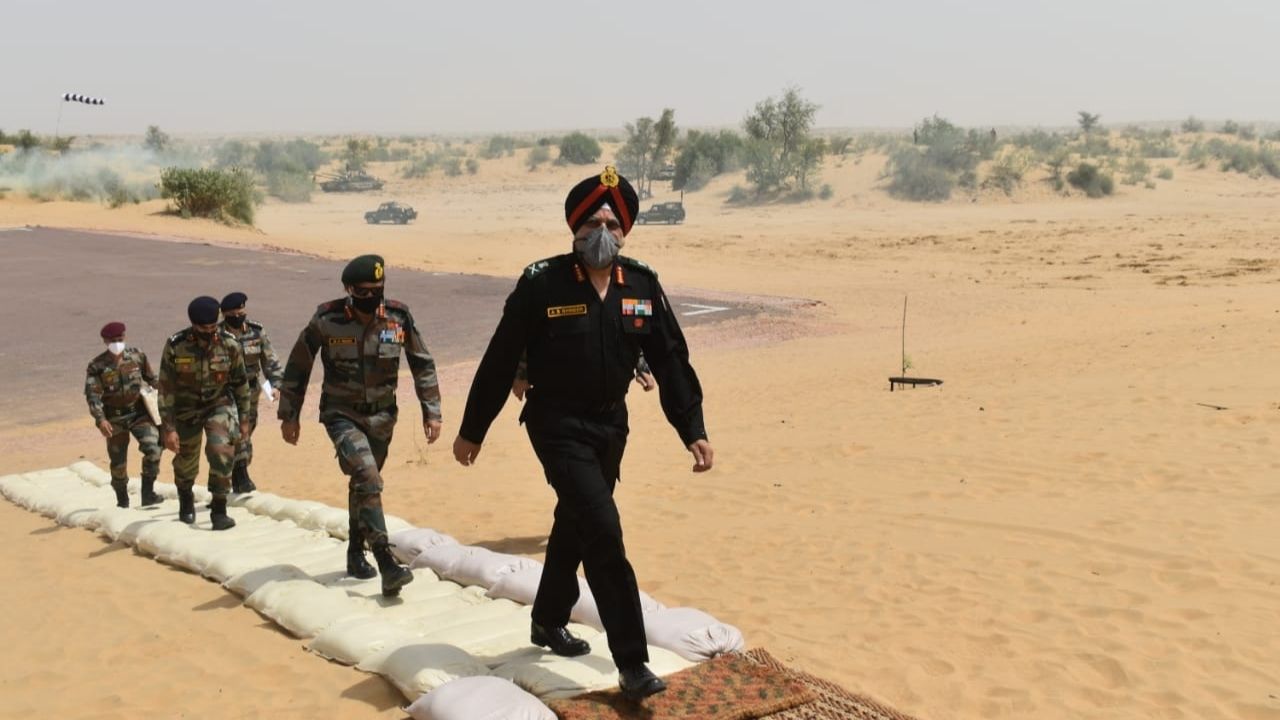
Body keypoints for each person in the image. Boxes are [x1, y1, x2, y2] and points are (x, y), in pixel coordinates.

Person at [453, 166, 714, 701]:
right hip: (556, 423)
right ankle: (632, 663)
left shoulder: (641, 283)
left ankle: (547, 619)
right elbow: (501, 360)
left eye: (612, 224)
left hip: (610, 424)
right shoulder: (541, 283)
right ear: (574, 228)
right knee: (603, 528)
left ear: (625, 232)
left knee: (576, 521)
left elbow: (671, 360)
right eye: (593, 221)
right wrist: (473, 429)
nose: (603, 232)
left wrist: (692, 427)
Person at [277, 254, 443, 598]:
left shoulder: (398, 316)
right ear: (349, 290)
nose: (372, 296)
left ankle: (355, 551)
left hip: (383, 417)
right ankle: (385, 561)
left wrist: (432, 410)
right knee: (368, 476)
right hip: (341, 414)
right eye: (364, 290)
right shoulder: (327, 319)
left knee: (363, 485)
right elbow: (298, 366)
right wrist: (289, 414)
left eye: (377, 289)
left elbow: (421, 363)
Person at [159, 297, 251, 529]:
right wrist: (168, 429)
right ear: (193, 325)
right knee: (186, 459)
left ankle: (219, 508)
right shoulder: (175, 345)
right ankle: (186, 497)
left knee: (221, 452)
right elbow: (166, 389)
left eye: (212, 327)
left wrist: (244, 420)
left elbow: (241, 383)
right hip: (185, 409)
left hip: (218, 405)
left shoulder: (229, 344)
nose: (209, 332)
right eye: (203, 329)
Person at [84, 321, 164, 508]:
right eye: (112, 340)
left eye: (119, 339)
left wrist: (170, 392)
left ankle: (148, 493)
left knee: (154, 449)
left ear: (124, 337)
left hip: (139, 414)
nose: (117, 342)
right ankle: (122, 500)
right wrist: (101, 420)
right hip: (114, 418)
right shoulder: (97, 366)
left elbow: (152, 379)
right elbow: (93, 395)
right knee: (118, 463)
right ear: (105, 340)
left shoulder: (137, 356)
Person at [219, 292, 284, 494]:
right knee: (238, 432)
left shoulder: (256, 332)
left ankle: (237, 470)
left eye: (241, 310)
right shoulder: (217, 335)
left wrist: (276, 383)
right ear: (224, 314)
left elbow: (269, 358)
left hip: (251, 392)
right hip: (225, 393)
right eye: (233, 312)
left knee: (246, 433)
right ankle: (242, 477)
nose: (238, 315)